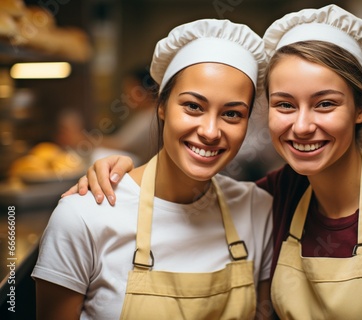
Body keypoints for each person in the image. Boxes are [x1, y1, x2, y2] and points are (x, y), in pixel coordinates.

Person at [65, 5, 362, 319]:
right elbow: (188, 195)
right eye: (284, 104)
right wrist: (117, 170)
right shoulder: (274, 197)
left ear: (361, 107)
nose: (301, 126)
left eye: (325, 104)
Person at [32, 18, 273, 320]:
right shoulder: (83, 215)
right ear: (161, 106)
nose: (210, 131)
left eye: (232, 113)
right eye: (193, 106)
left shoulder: (258, 209)